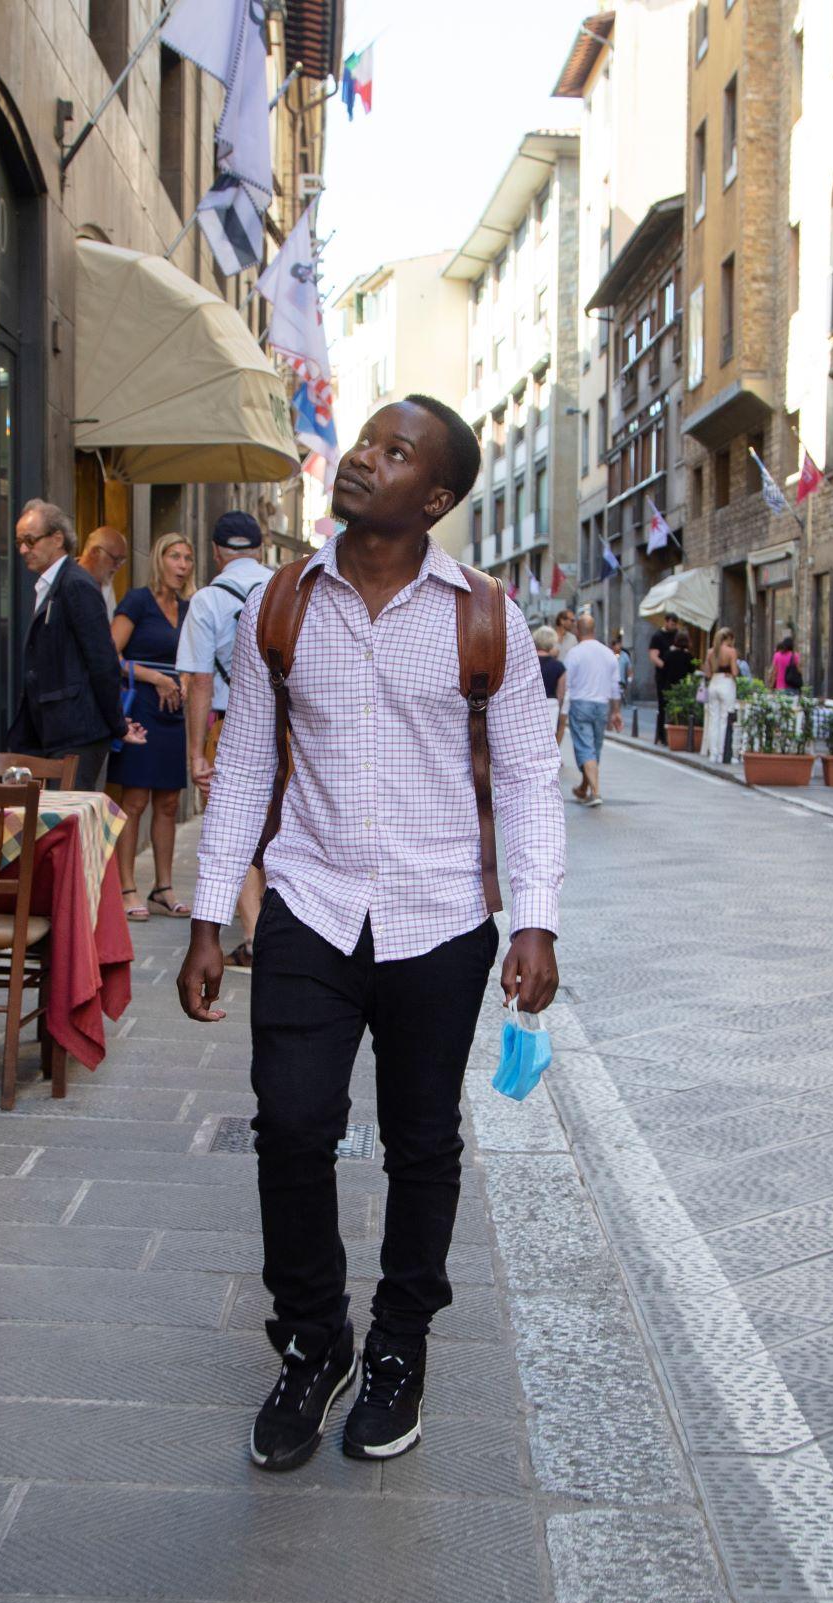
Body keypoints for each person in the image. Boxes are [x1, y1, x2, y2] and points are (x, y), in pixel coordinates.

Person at [179, 395, 563, 1473]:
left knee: (422, 1140)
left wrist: (532, 917)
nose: (362, 459)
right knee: (291, 1128)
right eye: (365, 441)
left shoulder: (486, 616)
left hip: (441, 918)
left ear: (433, 497)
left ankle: (399, 1343)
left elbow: (532, 774)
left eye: (394, 453)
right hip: (308, 903)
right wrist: (212, 914)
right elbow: (248, 761)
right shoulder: (282, 606)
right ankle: (312, 1339)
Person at [177, 512, 274, 965]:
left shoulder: (206, 600)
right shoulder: (286, 589)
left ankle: (257, 937)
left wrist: (196, 752)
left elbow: (198, 680)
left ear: (216, 552)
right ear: (261, 545)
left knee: (237, 821)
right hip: (287, 725)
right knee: (281, 822)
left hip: (228, 722)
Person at [11, 500, 139, 791]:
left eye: (30, 541)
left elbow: (103, 661)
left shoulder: (76, 584)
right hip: (54, 732)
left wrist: (117, 724)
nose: (22, 550)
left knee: (65, 824)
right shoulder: (55, 584)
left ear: (57, 539)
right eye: (20, 542)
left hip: (75, 734)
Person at [111, 531, 196, 920]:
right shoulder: (137, 601)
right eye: (175, 556)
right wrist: (156, 678)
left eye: (188, 557)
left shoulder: (188, 607)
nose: (183, 565)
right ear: (159, 560)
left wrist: (183, 681)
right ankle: (127, 887)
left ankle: (163, 887)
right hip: (141, 710)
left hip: (174, 713)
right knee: (135, 800)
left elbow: (195, 659)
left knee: (168, 801)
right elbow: (109, 656)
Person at [563, 612, 619, 805]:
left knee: (586, 749)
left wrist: (563, 708)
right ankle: (583, 788)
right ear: (594, 630)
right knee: (594, 749)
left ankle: (595, 793)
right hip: (601, 706)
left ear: (578, 630)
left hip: (580, 704)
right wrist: (616, 712)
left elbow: (567, 683)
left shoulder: (575, 653)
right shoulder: (609, 653)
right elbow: (615, 686)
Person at [649, 612, 695, 741]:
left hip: (673, 675)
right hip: (663, 677)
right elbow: (653, 656)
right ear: (666, 621)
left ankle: (672, 734)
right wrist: (666, 666)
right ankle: (661, 735)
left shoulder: (677, 635)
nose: (674, 626)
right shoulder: (657, 636)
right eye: (672, 624)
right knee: (663, 706)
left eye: (675, 624)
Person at [700, 626, 742, 764]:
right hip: (726, 683)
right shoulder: (731, 652)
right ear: (729, 638)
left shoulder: (711, 652)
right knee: (725, 719)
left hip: (714, 683)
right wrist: (732, 673)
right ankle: (723, 752)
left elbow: (707, 672)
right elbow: (735, 672)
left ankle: (713, 753)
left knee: (714, 719)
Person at [81, 525, 130, 620]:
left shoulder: (107, 585)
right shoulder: (65, 580)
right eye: (116, 559)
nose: (118, 566)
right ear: (95, 552)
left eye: (122, 561)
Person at [534, 624, 569, 753]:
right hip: (550, 706)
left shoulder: (527, 662)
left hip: (530, 705)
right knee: (547, 744)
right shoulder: (559, 667)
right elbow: (561, 693)